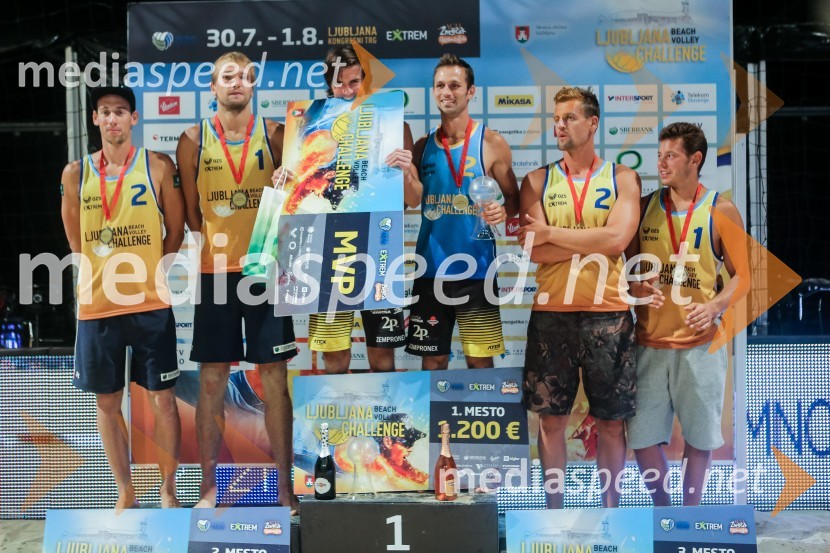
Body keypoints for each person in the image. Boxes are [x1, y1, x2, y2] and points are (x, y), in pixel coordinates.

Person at [176, 52, 299, 511]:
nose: (237, 83)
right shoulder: (191, 140)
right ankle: (209, 489)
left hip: (266, 271)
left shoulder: (276, 135)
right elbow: (191, 214)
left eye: (245, 77)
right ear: (212, 85)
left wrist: (288, 183)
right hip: (215, 274)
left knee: (273, 379)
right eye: (227, 76)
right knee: (212, 380)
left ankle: (286, 490)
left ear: (254, 86)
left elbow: (298, 199)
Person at [60, 85, 184, 509]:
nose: (112, 119)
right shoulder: (75, 174)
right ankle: (125, 493)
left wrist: (158, 274)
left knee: (164, 400)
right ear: (95, 120)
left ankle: (168, 491)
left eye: (120, 112)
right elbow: (74, 239)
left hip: (151, 304)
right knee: (107, 403)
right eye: (104, 112)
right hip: (99, 306)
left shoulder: (158, 165)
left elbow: (177, 230)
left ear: (134, 119)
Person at [517, 86, 641, 508]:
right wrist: (589, 240)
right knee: (550, 421)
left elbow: (619, 238)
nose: (559, 125)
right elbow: (534, 249)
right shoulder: (535, 180)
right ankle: (554, 515)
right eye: (556, 118)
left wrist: (554, 233)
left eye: (569, 117)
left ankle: (612, 515)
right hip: (552, 315)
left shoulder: (623, 177)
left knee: (610, 422)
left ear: (592, 123)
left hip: (610, 315)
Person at [273, 44, 415, 374]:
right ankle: (338, 421)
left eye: (355, 82)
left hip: (379, 252)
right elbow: (295, 197)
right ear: (329, 84)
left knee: (383, 357)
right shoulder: (308, 128)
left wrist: (407, 171)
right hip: (327, 252)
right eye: (341, 83)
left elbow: (414, 199)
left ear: (366, 82)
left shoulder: (395, 126)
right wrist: (283, 180)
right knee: (334, 357)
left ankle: (384, 425)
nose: (348, 91)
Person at [625, 122, 745, 506]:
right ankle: (664, 512)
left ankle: (689, 517)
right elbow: (623, 272)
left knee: (699, 439)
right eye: (659, 156)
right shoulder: (643, 207)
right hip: (648, 344)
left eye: (670, 156)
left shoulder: (721, 209)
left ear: (695, 159)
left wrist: (713, 306)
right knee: (641, 439)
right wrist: (635, 289)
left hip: (701, 346)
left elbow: (744, 277)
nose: (661, 163)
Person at [405, 53, 519, 370]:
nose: (447, 92)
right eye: (440, 85)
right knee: (433, 360)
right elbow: (409, 200)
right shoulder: (422, 146)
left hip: (477, 271)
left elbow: (514, 198)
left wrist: (503, 212)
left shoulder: (492, 142)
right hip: (429, 271)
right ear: (433, 92)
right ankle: (430, 422)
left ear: (471, 92)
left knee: (479, 361)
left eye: (455, 85)